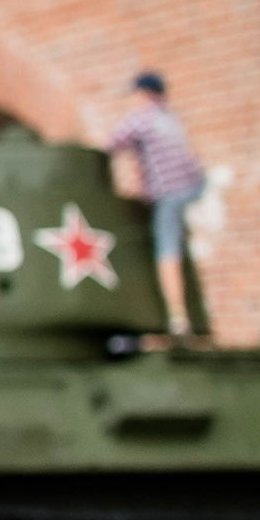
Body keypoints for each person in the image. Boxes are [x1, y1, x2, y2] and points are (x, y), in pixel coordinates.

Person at [104, 71, 209, 336]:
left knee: (167, 252)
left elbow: (112, 144)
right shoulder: (170, 118)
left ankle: (177, 316)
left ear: (143, 93)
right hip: (195, 188)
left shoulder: (142, 117)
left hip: (170, 194)